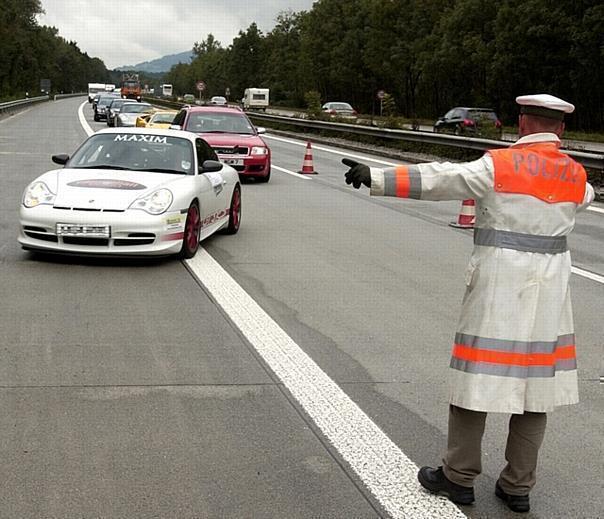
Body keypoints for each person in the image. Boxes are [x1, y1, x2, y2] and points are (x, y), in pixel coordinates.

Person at [343, 94, 595, 513]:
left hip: (498, 289)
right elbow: (583, 197)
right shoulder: (576, 176)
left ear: (521, 122)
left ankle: (458, 477)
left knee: (474, 380)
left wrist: (378, 177)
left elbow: (442, 179)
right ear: (562, 128)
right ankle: (518, 486)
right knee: (535, 393)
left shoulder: (499, 165)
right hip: (549, 298)